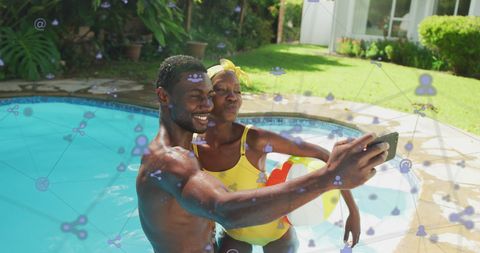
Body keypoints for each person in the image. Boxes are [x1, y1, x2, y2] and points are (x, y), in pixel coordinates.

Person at [136, 55, 388, 253]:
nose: (207, 105)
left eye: (208, 96)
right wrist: (329, 177)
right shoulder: (170, 160)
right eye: (196, 97)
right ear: (163, 96)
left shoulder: (187, 149)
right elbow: (226, 210)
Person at [190, 59, 361, 253]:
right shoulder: (193, 147)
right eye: (221, 90)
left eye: (237, 90)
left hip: (277, 235)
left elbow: (324, 156)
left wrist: (353, 212)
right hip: (234, 236)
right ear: (205, 96)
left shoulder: (255, 140)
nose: (232, 97)